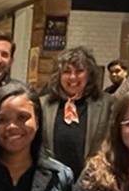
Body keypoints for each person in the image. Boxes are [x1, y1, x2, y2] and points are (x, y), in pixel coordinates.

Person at [38, 46, 112, 178]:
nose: (73, 77)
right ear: (58, 75)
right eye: (66, 72)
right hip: (52, 182)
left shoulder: (108, 104)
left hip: (91, 182)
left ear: (89, 74)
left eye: (79, 71)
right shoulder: (42, 104)